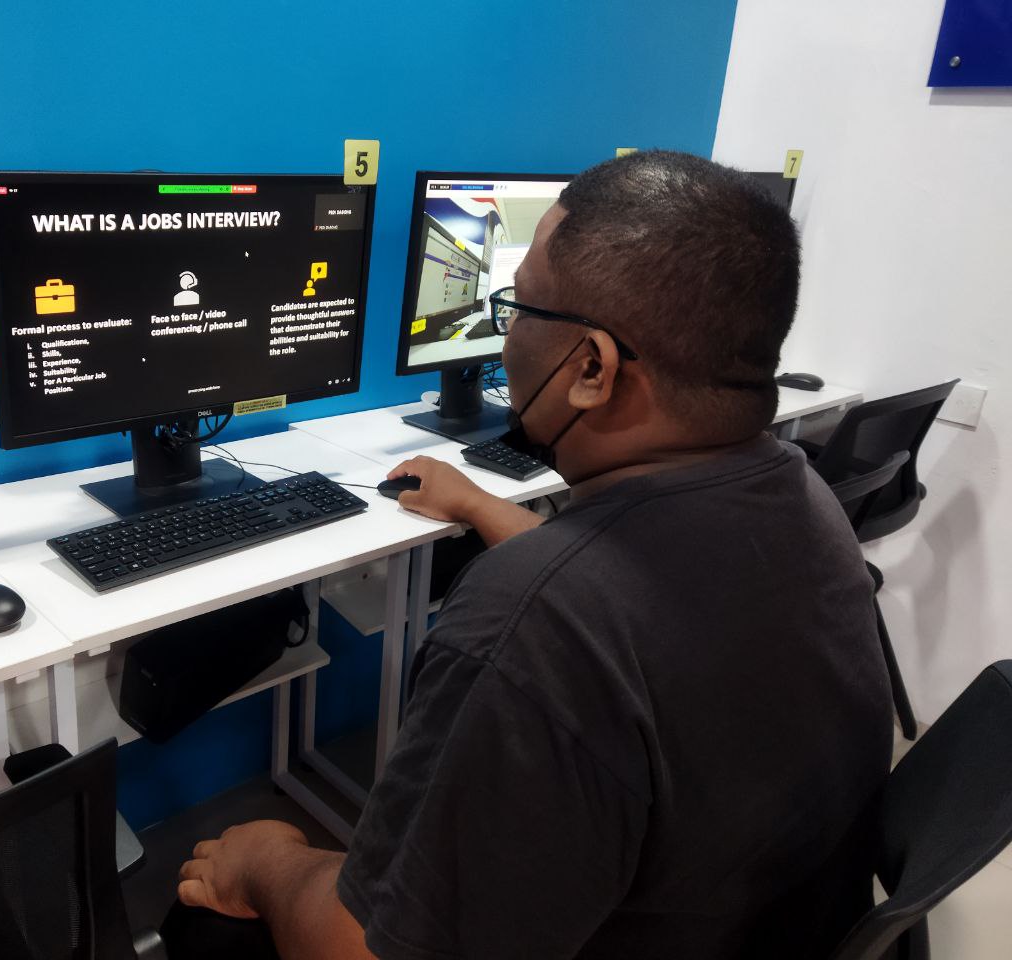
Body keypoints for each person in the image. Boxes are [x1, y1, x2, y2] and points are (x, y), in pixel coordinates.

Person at [174, 151, 893, 959]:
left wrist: (268, 862)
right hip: (772, 922)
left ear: (591, 368)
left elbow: (370, 952)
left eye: (515, 307)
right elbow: (639, 603)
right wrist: (479, 505)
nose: (506, 333)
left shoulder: (531, 620)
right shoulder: (802, 497)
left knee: (206, 920)